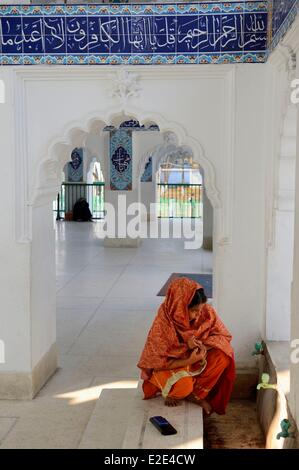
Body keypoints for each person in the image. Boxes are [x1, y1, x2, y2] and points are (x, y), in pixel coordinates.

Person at [137, 277, 235, 415]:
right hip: (174, 365)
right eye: (194, 311)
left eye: (200, 310)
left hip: (196, 358)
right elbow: (158, 363)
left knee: (223, 355)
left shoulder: (205, 312)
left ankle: (195, 395)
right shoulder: (163, 323)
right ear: (180, 307)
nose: (198, 315)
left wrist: (202, 346)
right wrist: (189, 357)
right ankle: (182, 391)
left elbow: (224, 336)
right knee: (183, 385)